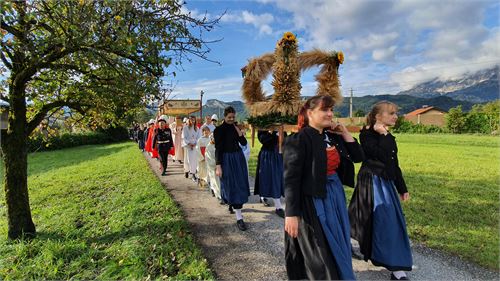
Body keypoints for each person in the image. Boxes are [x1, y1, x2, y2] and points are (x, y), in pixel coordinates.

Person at [283, 95, 364, 280]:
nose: (330, 114)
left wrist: (345, 132)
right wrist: (291, 214)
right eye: (325, 110)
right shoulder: (298, 139)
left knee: (338, 238)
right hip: (312, 199)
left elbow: (359, 156)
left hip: (334, 195)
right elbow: (291, 179)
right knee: (320, 247)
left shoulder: (332, 137)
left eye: (331, 110)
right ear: (310, 113)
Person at [348, 101, 413, 281]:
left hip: (385, 183)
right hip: (372, 182)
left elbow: (393, 163)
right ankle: (393, 266)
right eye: (391, 113)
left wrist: (402, 187)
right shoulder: (367, 135)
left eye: (395, 113)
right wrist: (384, 134)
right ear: (378, 117)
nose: (395, 116)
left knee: (383, 221)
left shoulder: (386, 135)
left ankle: (396, 269)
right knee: (375, 220)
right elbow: (382, 156)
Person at [214, 106, 250, 231]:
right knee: (229, 184)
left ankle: (239, 217)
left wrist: (240, 133)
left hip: (238, 158)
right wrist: (218, 166)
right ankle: (232, 204)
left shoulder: (236, 128)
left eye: (233, 117)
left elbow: (244, 144)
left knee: (239, 184)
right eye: (229, 117)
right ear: (224, 116)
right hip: (226, 160)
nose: (231, 119)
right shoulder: (219, 130)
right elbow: (218, 148)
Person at [254, 130, 285, 218]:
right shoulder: (262, 129)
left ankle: (276, 205)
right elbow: (264, 140)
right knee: (265, 178)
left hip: (278, 155)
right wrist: (272, 134)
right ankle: (266, 198)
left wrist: (281, 134)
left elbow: (284, 139)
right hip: (267, 155)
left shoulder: (280, 127)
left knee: (277, 179)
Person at [183, 115, 200, 182]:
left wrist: (195, 144)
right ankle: (186, 171)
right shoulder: (185, 128)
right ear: (189, 120)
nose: (193, 121)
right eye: (191, 120)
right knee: (187, 160)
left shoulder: (197, 128)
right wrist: (189, 144)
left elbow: (199, 137)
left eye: (194, 120)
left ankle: (193, 174)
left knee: (194, 160)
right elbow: (184, 137)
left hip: (194, 146)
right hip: (188, 146)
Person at [206, 133, 222, 201]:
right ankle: (219, 195)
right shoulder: (209, 147)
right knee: (215, 180)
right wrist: (216, 165)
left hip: (220, 166)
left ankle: (219, 193)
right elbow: (210, 158)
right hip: (213, 167)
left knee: (220, 181)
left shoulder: (220, 145)